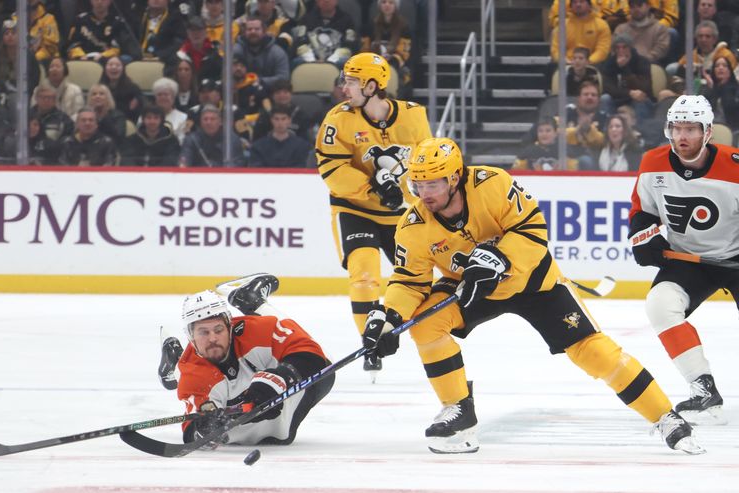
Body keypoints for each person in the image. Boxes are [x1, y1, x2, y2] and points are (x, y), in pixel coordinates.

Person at [361, 136, 703, 455]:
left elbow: (533, 230)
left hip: (535, 282)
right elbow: (408, 281)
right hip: (473, 287)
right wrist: (389, 317)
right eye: (417, 184)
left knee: (594, 352)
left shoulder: (491, 184)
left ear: (453, 179)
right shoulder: (413, 224)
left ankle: (665, 417)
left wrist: (501, 258)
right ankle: (459, 413)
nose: (423, 193)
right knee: (426, 325)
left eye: (431, 184)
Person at [315, 52, 432, 378]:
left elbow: (427, 161)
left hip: (400, 214)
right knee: (364, 275)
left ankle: (426, 338)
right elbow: (330, 167)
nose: (343, 87)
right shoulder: (338, 119)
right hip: (355, 209)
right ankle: (370, 341)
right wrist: (373, 187)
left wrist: (407, 189)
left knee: (417, 279)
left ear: (371, 84)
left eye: (351, 81)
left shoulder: (413, 116)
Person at [628, 95, 737, 426]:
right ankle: (703, 388)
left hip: (735, 256)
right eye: (676, 128)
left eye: (691, 128)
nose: (682, 136)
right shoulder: (652, 162)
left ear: (707, 133)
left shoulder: (735, 165)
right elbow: (642, 211)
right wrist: (645, 240)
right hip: (687, 260)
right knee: (660, 306)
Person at [158, 274, 334, 445]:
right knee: (190, 369)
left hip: (284, 416)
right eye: (203, 332)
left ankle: (251, 300)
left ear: (230, 326)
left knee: (325, 366)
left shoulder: (258, 331)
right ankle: (174, 357)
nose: (212, 338)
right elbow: (194, 433)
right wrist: (205, 428)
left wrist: (279, 379)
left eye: (218, 330)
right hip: (250, 432)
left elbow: (311, 352)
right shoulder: (193, 374)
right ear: (191, 337)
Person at [179, 104, 246, 167]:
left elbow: (238, 164)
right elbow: (184, 162)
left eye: (212, 119)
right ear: (200, 122)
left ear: (220, 122)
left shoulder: (231, 139)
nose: (208, 122)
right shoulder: (191, 139)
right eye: (205, 119)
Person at [100, 56, 144, 122]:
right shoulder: (99, 88)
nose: (114, 67)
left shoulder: (133, 88)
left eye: (117, 65)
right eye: (110, 65)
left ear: (123, 69)